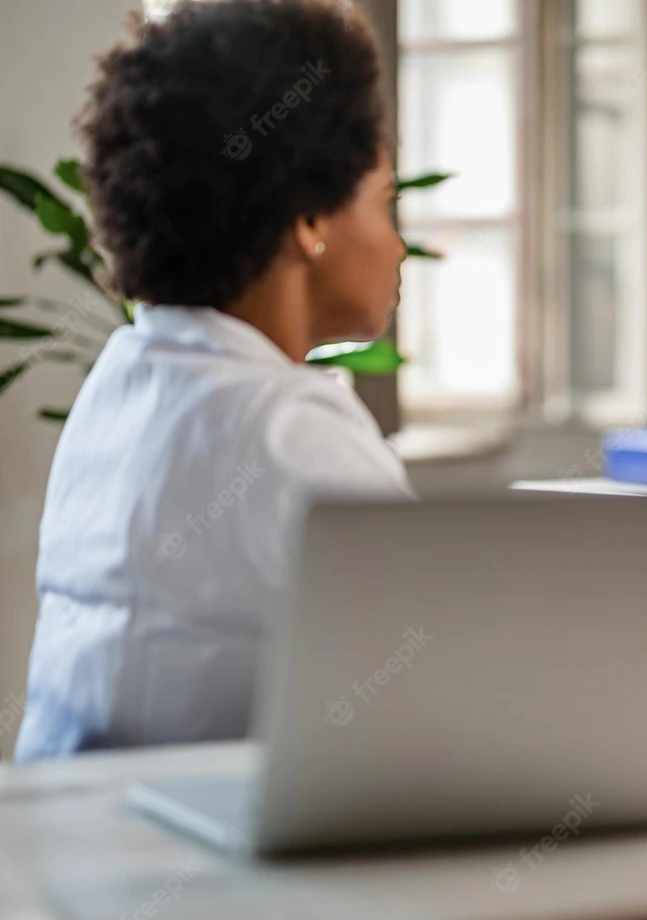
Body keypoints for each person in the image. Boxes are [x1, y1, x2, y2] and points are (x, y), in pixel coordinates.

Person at [15, 0, 412, 760]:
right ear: (310, 221)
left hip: (63, 843)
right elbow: (444, 703)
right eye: (386, 203)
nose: (398, 246)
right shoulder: (293, 430)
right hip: (195, 868)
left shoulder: (123, 379)